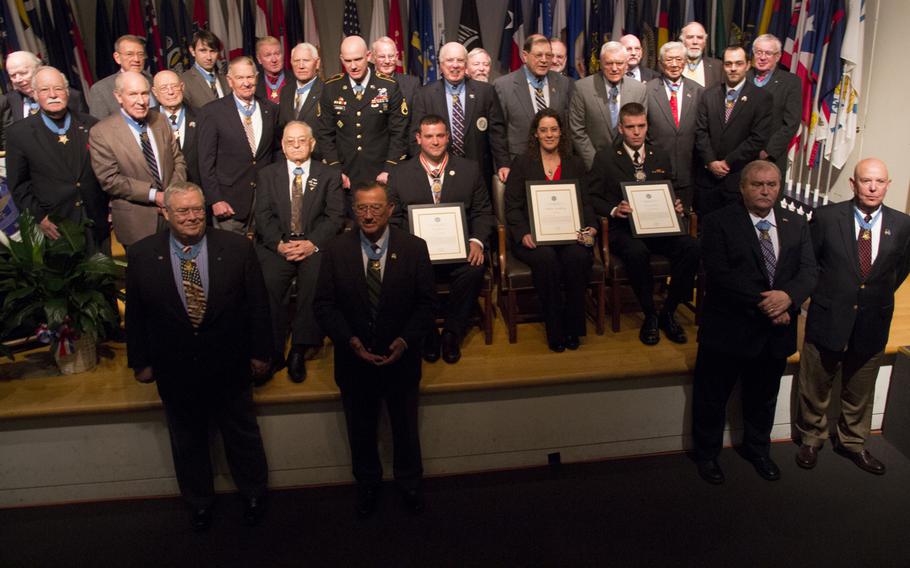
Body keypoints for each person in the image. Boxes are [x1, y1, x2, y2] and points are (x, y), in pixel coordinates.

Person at [126, 181, 272, 532]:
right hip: (175, 366)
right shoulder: (143, 254)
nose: (192, 217)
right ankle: (200, 503)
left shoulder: (237, 248)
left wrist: (261, 353)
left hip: (230, 362)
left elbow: (258, 306)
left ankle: (254, 494)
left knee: (242, 434)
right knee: (187, 439)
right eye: (183, 211)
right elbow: (136, 315)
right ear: (166, 213)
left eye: (197, 209)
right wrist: (141, 362)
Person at [313, 182, 436, 518]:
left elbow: (426, 305)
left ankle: (410, 484)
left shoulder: (414, 248)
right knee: (361, 430)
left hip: (401, 361)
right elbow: (323, 306)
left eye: (376, 208)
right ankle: (367, 485)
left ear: (390, 210)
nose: (368, 215)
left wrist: (405, 340)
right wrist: (349, 341)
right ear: (354, 210)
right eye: (362, 208)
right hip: (355, 362)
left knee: (405, 430)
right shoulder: (336, 250)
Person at [691, 160, 817, 485]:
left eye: (772, 184)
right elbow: (719, 274)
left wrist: (788, 297)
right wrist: (772, 304)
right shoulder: (719, 222)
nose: (765, 191)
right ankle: (707, 455)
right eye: (757, 184)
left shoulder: (796, 222)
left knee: (764, 396)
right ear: (742, 187)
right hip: (729, 328)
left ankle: (758, 449)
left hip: (774, 333)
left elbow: (809, 271)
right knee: (712, 397)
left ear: (780, 187)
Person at [795, 158, 910, 475]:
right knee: (815, 384)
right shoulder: (826, 217)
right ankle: (811, 438)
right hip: (829, 316)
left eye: (879, 182)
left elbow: (898, 271)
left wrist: (870, 293)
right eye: (866, 181)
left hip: (873, 319)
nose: (873, 187)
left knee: (860, 390)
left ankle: (853, 443)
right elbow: (810, 264)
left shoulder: (903, 225)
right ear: (853, 184)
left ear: (888, 185)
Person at [588, 103, 699, 346]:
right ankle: (649, 313)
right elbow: (592, 196)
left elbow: (668, 189)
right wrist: (615, 209)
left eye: (641, 126)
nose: (637, 132)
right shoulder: (606, 157)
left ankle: (668, 311)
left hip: (659, 227)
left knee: (692, 246)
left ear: (647, 126)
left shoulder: (659, 154)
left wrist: (676, 205)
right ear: (621, 128)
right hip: (624, 230)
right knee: (638, 252)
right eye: (631, 127)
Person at [388, 115, 496, 364]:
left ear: (448, 137)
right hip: (417, 253)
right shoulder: (400, 173)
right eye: (429, 136)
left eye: (440, 136)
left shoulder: (470, 169)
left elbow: (483, 211)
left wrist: (477, 241)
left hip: (459, 250)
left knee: (473, 269)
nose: (435, 142)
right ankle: (427, 333)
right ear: (418, 139)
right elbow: (393, 220)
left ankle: (451, 333)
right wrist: (405, 248)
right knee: (406, 271)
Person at [253, 121, 344, 382]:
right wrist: (279, 245)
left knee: (314, 282)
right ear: (282, 145)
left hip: (314, 245)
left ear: (312, 144)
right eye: (290, 141)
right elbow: (263, 216)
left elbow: (335, 217)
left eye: (301, 140)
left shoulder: (328, 175)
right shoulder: (268, 174)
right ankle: (272, 350)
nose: (296, 145)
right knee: (268, 282)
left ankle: (300, 348)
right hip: (278, 245)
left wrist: (312, 243)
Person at [505, 108, 597, 352]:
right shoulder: (522, 163)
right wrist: (523, 232)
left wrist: (592, 229)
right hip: (533, 239)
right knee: (546, 260)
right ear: (535, 134)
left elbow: (586, 202)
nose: (549, 135)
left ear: (561, 133)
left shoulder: (574, 163)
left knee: (578, 257)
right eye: (543, 130)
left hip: (569, 235)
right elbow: (511, 206)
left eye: (554, 129)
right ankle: (555, 329)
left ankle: (573, 327)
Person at [7, 66, 109, 249]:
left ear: (67, 92)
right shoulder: (18, 134)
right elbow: (19, 186)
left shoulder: (92, 124)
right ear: (35, 95)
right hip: (56, 228)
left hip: (98, 223)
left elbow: (108, 170)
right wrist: (39, 217)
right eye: (45, 90)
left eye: (58, 88)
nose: (53, 94)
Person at [89, 71, 186, 250]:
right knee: (147, 276)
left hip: (174, 215)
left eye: (144, 93)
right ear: (118, 97)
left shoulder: (160, 120)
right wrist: (155, 196)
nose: (141, 101)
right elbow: (109, 179)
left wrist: (172, 194)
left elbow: (178, 160)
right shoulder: (101, 132)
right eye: (133, 94)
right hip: (137, 224)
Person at [316, 35, 409, 202]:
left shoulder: (388, 86)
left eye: (358, 59)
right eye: (348, 60)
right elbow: (325, 134)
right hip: (345, 175)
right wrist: (336, 170)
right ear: (341, 59)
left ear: (368, 56)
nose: (353, 66)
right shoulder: (331, 88)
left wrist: (389, 168)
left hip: (381, 173)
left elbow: (399, 132)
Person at [197, 56, 280, 234]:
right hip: (229, 203)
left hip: (265, 200)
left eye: (250, 77)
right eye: (240, 78)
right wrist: (215, 199)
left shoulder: (270, 109)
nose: (246, 83)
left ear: (256, 78)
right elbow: (205, 162)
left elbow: (276, 151)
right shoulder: (212, 112)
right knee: (232, 256)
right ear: (230, 81)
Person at [409, 42, 510, 186]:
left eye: (460, 60)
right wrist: (422, 168)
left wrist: (503, 164)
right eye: (450, 60)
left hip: (479, 171)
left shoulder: (485, 92)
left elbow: (497, 133)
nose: (455, 65)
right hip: (437, 172)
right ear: (441, 65)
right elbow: (415, 135)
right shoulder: (424, 94)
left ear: (466, 65)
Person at [694, 45, 772, 216]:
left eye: (738, 63)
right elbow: (700, 132)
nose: (733, 68)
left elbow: (757, 139)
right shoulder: (708, 95)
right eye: (728, 64)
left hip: (738, 179)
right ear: (723, 66)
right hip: (708, 180)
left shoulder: (761, 98)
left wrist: (727, 162)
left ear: (748, 65)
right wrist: (711, 161)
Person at [494, 35, 575, 161]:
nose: (544, 60)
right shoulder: (504, 86)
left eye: (548, 55)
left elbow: (568, 128)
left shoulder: (564, 83)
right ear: (525, 56)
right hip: (518, 162)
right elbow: (498, 133)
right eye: (538, 55)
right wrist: (503, 164)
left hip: (556, 161)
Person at [645, 41, 704, 210]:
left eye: (679, 59)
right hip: (656, 171)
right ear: (661, 62)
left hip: (689, 171)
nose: (674, 64)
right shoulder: (647, 91)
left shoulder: (699, 91)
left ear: (685, 62)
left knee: (685, 222)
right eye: (669, 59)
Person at [569, 41, 647, 170]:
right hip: (594, 166)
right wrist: (597, 164)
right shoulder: (582, 88)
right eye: (609, 63)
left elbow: (640, 129)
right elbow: (577, 131)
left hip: (629, 166)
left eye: (619, 63)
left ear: (626, 64)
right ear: (601, 64)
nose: (614, 68)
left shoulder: (639, 89)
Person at [748, 34, 802, 185]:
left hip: (770, 157)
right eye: (758, 52)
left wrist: (769, 151)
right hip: (739, 156)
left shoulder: (791, 82)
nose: (762, 57)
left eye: (768, 53)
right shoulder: (743, 78)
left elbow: (791, 122)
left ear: (777, 56)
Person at [4, 51, 87, 123]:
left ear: (39, 69)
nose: (18, 80)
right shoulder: (8, 101)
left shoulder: (70, 96)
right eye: (13, 75)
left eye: (23, 73)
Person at [88, 35, 157, 119]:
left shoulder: (153, 81)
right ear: (117, 57)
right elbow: (99, 128)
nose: (136, 59)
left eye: (140, 54)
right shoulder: (101, 89)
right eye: (129, 54)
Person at [152, 70, 201, 185]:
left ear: (182, 87)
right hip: (163, 192)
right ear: (155, 92)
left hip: (198, 190)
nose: (170, 92)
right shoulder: (147, 120)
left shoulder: (202, 116)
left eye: (174, 86)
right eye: (164, 88)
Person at [277, 42, 323, 137]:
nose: (301, 66)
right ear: (291, 62)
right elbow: (281, 129)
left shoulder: (326, 91)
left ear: (317, 63)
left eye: (306, 60)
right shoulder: (285, 91)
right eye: (296, 61)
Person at [182, 30, 231, 109]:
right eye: (203, 51)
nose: (209, 57)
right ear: (192, 51)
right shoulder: (183, 81)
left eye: (213, 51)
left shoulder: (226, 79)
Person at [371, 36, 421, 110]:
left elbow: (417, 115)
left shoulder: (412, 84)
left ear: (397, 57)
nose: (387, 61)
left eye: (391, 56)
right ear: (374, 58)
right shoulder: (366, 83)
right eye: (382, 57)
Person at [679, 22, 723, 88]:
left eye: (699, 37)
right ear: (683, 41)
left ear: (705, 42)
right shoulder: (672, 65)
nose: (695, 42)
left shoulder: (718, 67)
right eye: (690, 37)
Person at [254, 36, 287, 103]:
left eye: (277, 54)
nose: (274, 60)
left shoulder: (296, 79)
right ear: (259, 59)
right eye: (268, 55)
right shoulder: (253, 84)